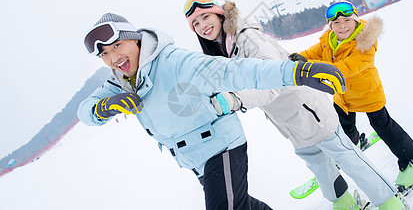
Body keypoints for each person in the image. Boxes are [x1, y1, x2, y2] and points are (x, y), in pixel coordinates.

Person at [77, 12, 345, 210]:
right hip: (193, 158)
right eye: (104, 55)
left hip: (220, 146)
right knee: (242, 205)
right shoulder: (118, 81)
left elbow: (236, 70)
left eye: (117, 46)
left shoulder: (174, 61)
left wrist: (297, 71)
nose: (113, 58)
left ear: (134, 40)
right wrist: (104, 107)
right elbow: (85, 112)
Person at [183, 0, 406, 210]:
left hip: (307, 108)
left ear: (219, 15)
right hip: (288, 118)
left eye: (206, 17)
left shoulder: (246, 37)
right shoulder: (227, 47)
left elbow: (271, 80)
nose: (203, 25)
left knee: (348, 157)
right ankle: (343, 202)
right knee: (317, 163)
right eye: (196, 23)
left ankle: (390, 203)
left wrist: (234, 99)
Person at [293, 1, 413, 192]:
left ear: (355, 20)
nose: (342, 25)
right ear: (330, 26)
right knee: (342, 126)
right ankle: (354, 142)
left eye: (346, 20)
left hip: (367, 94)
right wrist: (298, 60)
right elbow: (311, 53)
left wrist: (315, 69)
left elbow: (348, 67)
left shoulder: (365, 42)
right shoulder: (329, 40)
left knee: (383, 126)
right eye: (336, 23)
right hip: (342, 96)